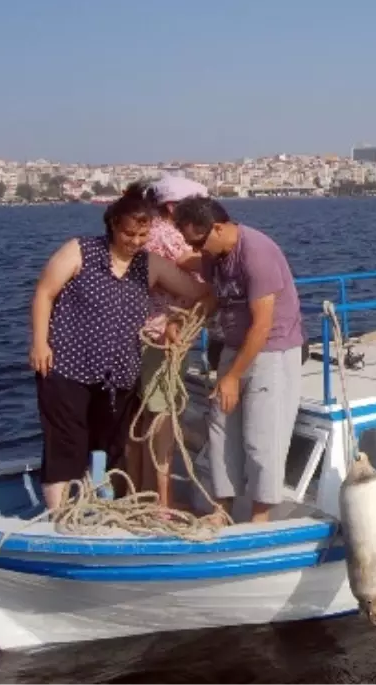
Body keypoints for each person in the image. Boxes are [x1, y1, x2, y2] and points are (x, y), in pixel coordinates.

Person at [29, 184, 209, 512]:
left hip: (119, 375)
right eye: (129, 234)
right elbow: (44, 292)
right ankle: (58, 516)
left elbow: (199, 293)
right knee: (66, 443)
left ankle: (103, 504)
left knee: (110, 446)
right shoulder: (79, 250)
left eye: (142, 235)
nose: (135, 242)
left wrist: (176, 323)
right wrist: (39, 343)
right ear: (113, 225)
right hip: (67, 367)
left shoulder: (149, 264)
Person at [172, 196, 305, 524]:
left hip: (271, 351)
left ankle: (260, 517)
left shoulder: (257, 254)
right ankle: (222, 509)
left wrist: (232, 377)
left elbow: (262, 325)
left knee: (262, 436)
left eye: (198, 242)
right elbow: (214, 294)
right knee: (221, 427)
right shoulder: (215, 255)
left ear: (217, 229)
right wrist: (181, 321)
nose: (196, 250)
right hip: (234, 345)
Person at [129, 175, 209, 510]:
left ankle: (140, 493)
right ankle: (163, 503)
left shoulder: (146, 232)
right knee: (162, 417)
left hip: (142, 334)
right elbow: (200, 268)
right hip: (161, 338)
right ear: (175, 207)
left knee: (145, 415)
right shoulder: (168, 235)